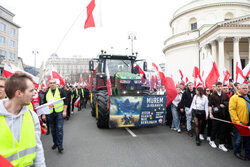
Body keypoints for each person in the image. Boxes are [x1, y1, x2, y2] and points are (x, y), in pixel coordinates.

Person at [0, 73, 46, 166]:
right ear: (19, 93)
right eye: (31, 90)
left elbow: (38, 148)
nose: (34, 94)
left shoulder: (32, 115)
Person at [43, 79, 67, 153]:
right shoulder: (46, 92)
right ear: (48, 84)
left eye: (54, 83)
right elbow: (44, 104)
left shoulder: (61, 91)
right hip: (50, 113)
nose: (52, 84)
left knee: (59, 129)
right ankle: (55, 143)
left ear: (56, 84)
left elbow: (66, 102)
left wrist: (64, 111)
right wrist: (44, 114)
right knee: (53, 130)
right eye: (51, 83)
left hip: (59, 112)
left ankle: (60, 145)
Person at [229, 84, 250, 160]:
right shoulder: (234, 98)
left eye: (246, 88)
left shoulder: (248, 97)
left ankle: (248, 154)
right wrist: (237, 122)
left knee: (248, 140)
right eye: (243, 88)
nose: (245, 90)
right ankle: (237, 152)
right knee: (238, 139)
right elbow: (232, 111)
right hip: (239, 124)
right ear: (239, 89)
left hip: (248, 123)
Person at [209, 82, 229, 152]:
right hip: (215, 114)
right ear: (216, 87)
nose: (219, 87)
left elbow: (229, 103)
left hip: (223, 115)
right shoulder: (212, 95)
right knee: (214, 128)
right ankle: (212, 140)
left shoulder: (225, 95)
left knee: (223, 130)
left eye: (220, 86)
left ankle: (221, 144)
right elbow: (210, 105)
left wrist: (224, 104)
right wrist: (210, 114)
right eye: (218, 86)